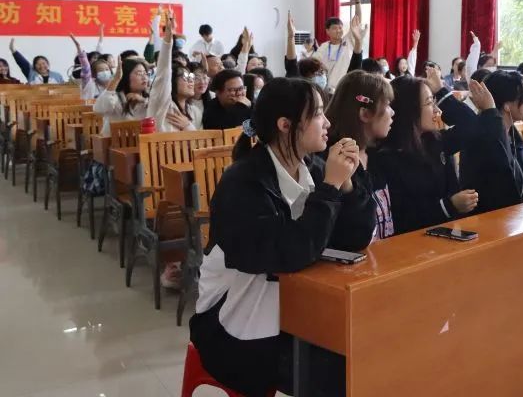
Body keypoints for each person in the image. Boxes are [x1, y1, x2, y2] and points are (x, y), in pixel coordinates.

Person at [189, 77, 373, 397]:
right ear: (286, 125)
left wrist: (347, 186)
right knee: (343, 374)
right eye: (318, 114)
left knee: (370, 349)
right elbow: (291, 253)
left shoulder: (314, 168)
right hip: (234, 327)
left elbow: (354, 238)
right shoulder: (242, 184)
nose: (328, 123)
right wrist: (329, 190)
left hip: (293, 311)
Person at [371, 66, 484, 234]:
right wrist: (449, 206)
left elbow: (471, 125)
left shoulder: (436, 141)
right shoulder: (388, 157)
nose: (437, 110)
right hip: (413, 242)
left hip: (449, 234)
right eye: (430, 103)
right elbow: (402, 218)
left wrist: (441, 91)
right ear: (410, 110)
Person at [325, 70, 396, 240]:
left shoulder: (379, 154)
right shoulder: (333, 160)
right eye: (387, 105)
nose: (392, 112)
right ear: (365, 114)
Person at [458, 70, 523, 214]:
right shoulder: (482, 138)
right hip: (488, 218)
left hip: (517, 214)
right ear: (507, 105)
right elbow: (506, 183)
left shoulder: (512, 134)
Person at [146, 9, 200, 133]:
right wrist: (168, 41)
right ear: (171, 81)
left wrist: (188, 126)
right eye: (185, 77)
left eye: (191, 77)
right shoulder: (162, 101)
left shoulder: (193, 110)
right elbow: (164, 73)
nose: (191, 81)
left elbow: (200, 140)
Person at [317, 0, 361, 90]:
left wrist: (357, 1)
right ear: (327, 31)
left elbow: (357, 19)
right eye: (334, 28)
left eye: (340, 28)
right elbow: (315, 62)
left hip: (347, 87)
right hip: (329, 89)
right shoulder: (324, 47)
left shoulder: (348, 40)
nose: (338, 30)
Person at [93, 58, 150, 135]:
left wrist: (143, 100)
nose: (144, 77)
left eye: (145, 73)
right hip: (114, 142)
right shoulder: (116, 96)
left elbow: (160, 110)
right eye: (139, 73)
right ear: (126, 76)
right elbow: (98, 110)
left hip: (142, 141)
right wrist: (116, 79)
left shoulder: (149, 98)